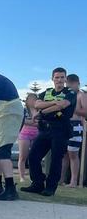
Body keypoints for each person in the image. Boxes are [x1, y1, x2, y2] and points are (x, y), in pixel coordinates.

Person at [21, 67, 77, 196]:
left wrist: (43, 111)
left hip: (61, 129)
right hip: (45, 128)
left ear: (65, 79)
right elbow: (36, 104)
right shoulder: (47, 92)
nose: (59, 80)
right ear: (52, 79)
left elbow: (62, 105)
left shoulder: (70, 92)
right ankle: (37, 184)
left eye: (62, 77)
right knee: (33, 156)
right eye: (57, 77)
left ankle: (50, 188)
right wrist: (53, 104)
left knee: (56, 160)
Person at [61, 74, 86, 187]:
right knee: (64, 154)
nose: (69, 86)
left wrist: (73, 107)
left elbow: (85, 112)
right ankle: (60, 179)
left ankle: (74, 181)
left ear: (77, 83)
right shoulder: (66, 95)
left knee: (73, 154)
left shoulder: (82, 95)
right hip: (65, 124)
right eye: (68, 84)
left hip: (76, 125)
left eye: (71, 84)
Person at [18, 93, 40, 182]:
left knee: (34, 156)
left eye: (34, 99)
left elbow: (39, 122)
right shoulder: (24, 111)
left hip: (37, 133)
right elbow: (23, 121)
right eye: (30, 99)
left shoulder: (39, 111)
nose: (32, 101)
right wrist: (33, 122)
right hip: (25, 134)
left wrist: (30, 122)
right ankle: (22, 177)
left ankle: (33, 177)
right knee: (23, 156)